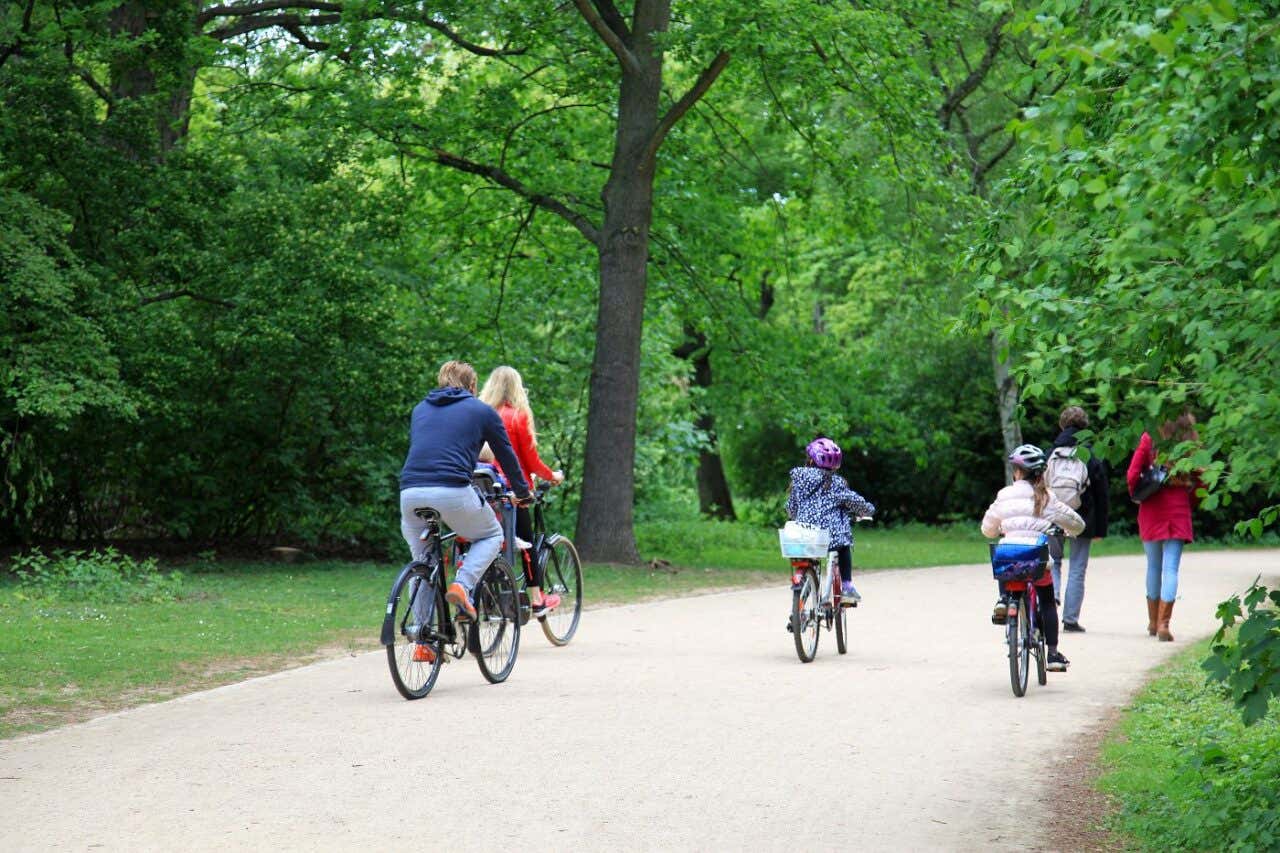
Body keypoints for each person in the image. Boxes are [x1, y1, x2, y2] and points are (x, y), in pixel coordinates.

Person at [399, 360, 531, 663]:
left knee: (422, 561)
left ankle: (423, 640)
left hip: (409, 493)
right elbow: (506, 456)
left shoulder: (420, 409)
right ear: (473, 386)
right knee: (491, 534)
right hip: (453, 490)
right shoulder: (481, 411)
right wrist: (522, 493)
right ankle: (463, 583)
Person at [982, 444, 1085, 672]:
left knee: (1004, 555)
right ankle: (1053, 654)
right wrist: (1070, 531)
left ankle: (1005, 600)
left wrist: (998, 529)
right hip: (1037, 561)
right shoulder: (1047, 498)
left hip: (1009, 559)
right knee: (1047, 601)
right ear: (1040, 473)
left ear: (1017, 472)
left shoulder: (1004, 495)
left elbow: (988, 529)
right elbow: (1077, 523)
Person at [479, 365, 565, 617]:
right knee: (527, 542)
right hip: (514, 491)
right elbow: (530, 461)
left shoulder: (481, 414)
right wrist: (553, 476)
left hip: (483, 488)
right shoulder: (518, 416)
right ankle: (537, 599)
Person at [1126, 412, 1201, 642]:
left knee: (1153, 567)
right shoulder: (1191, 441)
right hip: (1178, 506)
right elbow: (1201, 479)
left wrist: (1136, 494)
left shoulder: (1150, 438)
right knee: (1171, 569)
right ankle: (1163, 624)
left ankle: (1151, 621)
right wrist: (1192, 502)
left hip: (1152, 507)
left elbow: (1132, 473)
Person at [786, 437, 875, 604]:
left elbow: (791, 507)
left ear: (810, 459)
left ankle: (801, 606)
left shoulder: (799, 480)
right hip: (830, 537)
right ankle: (847, 587)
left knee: (810, 561)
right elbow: (854, 501)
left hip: (805, 536)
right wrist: (868, 510)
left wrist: (793, 515)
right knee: (844, 546)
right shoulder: (836, 483)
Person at [1045, 406, 1110, 632]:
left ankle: (1050, 600)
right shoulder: (1089, 455)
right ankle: (1070, 619)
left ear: (1062, 425)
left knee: (1052, 561)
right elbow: (1101, 493)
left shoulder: (1050, 453)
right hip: (1082, 519)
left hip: (1053, 515)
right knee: (1077, 568)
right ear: (1085, 427)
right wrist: (1100, 528)